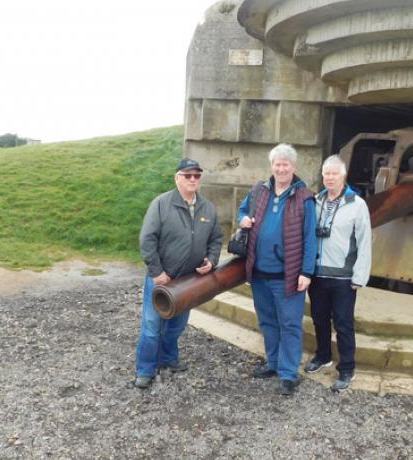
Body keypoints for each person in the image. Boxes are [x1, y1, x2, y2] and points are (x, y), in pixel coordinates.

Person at [134, 158, 223, 389]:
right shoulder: (161, 204)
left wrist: (212, 260)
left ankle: (169, 358)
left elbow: (216, 239)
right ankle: (145, 369)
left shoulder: (208, 208)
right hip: (162, 279)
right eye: (187, 175)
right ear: (177, 178)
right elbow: (147, 239)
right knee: (152, 327)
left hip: (188, 282)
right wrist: (157, 272)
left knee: (177, 325)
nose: (193, 179)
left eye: (197, 175)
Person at [237, 143, 316, 396]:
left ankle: (288, 374)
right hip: (260, 274)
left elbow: (310, 238)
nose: (281, 168)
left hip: (288, 275)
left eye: (285, 164)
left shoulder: (305, 197)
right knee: (268, 322)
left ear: (293, 167)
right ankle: (272, 363)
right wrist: (243, 219)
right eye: (277, 164)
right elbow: (242, 210)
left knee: (290, 324)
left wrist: (306, 272)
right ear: (272, 166)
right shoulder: (260, 190)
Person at [304, 155, 372, 392]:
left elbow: (365, 242)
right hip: (318, 274)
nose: (329, 178)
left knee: (343, 323)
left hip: (343, 278)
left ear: (343, 176)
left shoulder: (357, 204)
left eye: (334, 173)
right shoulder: (316, 201)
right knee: (319, 318)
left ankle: (347, 368)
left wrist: (359, 276)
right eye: (326, 173)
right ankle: (323, 355)